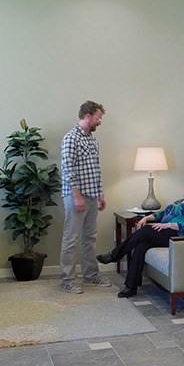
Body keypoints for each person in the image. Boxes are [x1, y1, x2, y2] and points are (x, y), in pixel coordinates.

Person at [98, 172, 184, 297]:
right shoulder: (180, 201)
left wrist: (166, 225)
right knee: (141, 245)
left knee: (146, 230)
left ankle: (114, 255)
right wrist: (147, 218)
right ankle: (130, 287)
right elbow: (162, 214)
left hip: (180, 238)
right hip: (168, 232)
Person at [58, 100, 112, 293]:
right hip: (75, 197)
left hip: (91, 195)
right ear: (87, 116)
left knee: (89, 238)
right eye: (98, 118)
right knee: (71, 239)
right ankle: (67, 280)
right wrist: (77, 196)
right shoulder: (71, 138)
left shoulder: (92, 139)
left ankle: (91, 275)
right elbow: (67, 170)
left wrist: (100, 194)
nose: (100, 122)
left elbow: (95, 169)